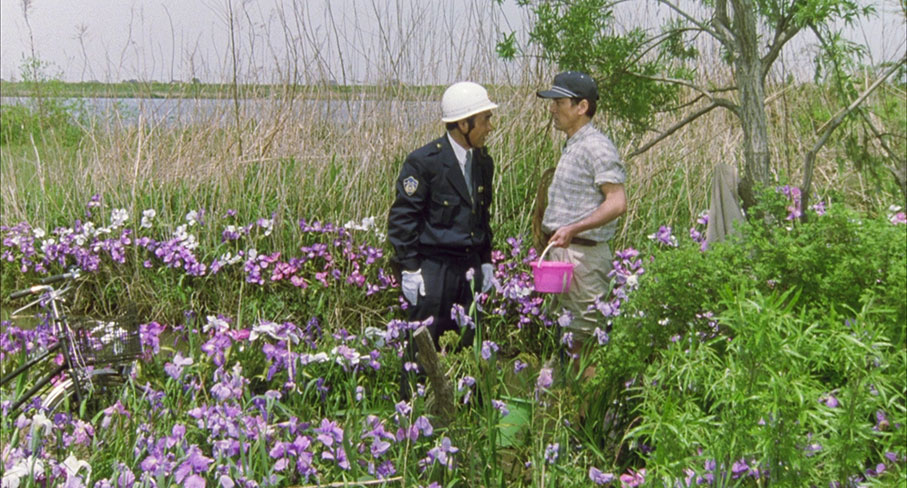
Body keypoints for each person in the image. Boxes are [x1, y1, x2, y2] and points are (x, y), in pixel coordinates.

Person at [388, 81, 498, 393]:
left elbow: (482, 216)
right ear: (464, 124)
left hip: (469, 267)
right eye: (485, 120)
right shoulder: (425, 163)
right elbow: (402, 219)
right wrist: (410, 268)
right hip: (434, 270)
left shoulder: (483, 162)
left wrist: (486, 260)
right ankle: (414, 409)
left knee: (469, 344)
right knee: (424, 348)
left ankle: (466, 411)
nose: (490, 127)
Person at [536, 71, 627, 375]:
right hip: (568, 256)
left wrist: (573, 228)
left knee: (584, 345)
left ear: (582, 107)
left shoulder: (596, 146)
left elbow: (617, 202)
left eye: (559, 102)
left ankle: (591, 405)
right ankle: (571, 400)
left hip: (584, 258)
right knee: (569, 339)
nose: (552, 109)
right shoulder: (575, 144)